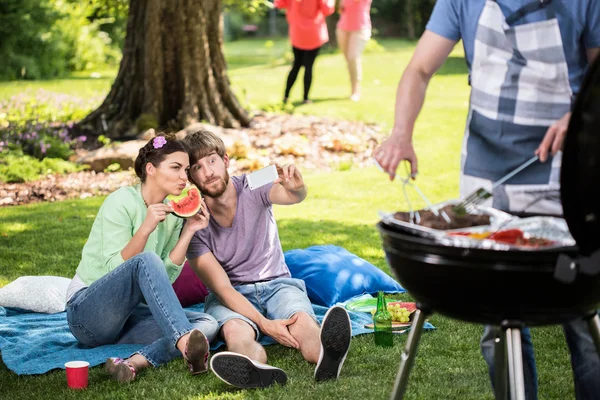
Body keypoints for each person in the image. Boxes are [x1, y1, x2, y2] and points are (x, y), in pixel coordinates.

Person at [373, 1, 600, 399]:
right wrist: (400, 132)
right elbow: (419, 69)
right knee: (495, 315)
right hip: (486, 173)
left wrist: (581, 114)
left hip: (567, 168)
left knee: (584, 317)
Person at [182, 129, 352, 389]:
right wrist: (265, 325)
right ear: (191, 176)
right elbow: (224, 289)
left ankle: (327, 356)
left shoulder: (253, 183)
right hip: (232, 294)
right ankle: (256, 370)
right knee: (236, 333)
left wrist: (298, 189)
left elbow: (292, 196)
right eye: (197, 167)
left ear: (226, 161)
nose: (208, 171)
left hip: (278, 284)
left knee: (303, 323)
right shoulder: (194, 225)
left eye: (212, 160)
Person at [65, 133, 218, 382]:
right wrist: (146, 227)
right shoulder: (121, 201)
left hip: (126, 321)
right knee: (146, 260)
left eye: (187, 170)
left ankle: (133, 363)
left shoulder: (171, 212)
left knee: (207, 323)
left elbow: (163, 279)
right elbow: (113, 269)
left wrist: (189, 230)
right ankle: (185, 345)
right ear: (151, 169)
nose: (185, 177)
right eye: (176, 168)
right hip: (87, 316)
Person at [275, 0, 335, 104]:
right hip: (313, 33)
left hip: (297, 33)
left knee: (296, 65)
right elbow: (327, 9)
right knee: (308, 66)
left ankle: (286, 96)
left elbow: (279, 4)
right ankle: (305, 98)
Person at [336, 0, 372, 101]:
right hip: (343, 27)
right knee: (349, 60)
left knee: (353, 57)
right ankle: (352, 86)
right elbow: (341, 8)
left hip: (360, 28)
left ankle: (355, 91)